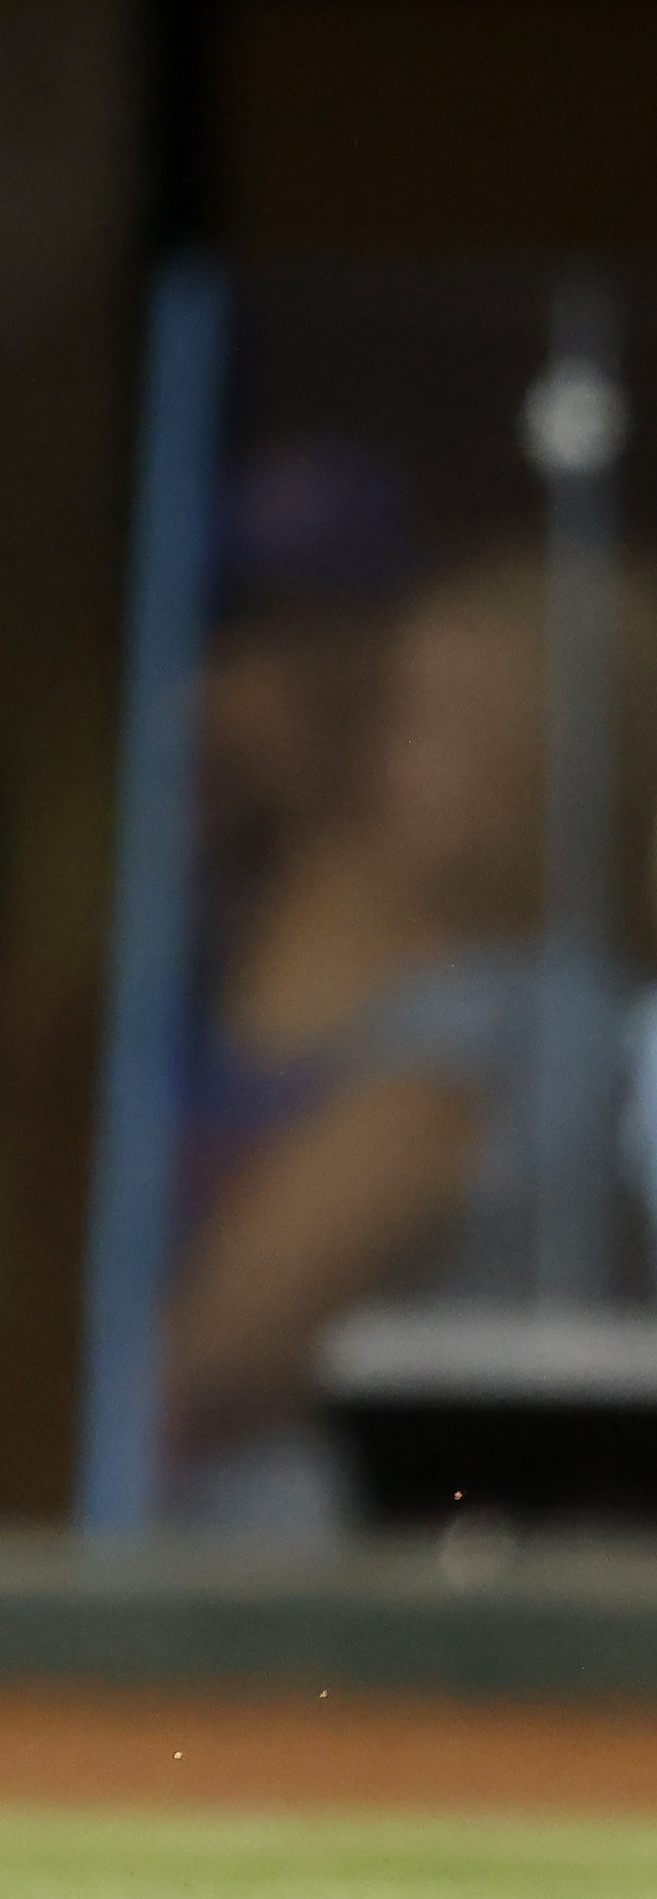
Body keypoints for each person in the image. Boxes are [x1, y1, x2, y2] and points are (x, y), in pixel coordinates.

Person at [165, 551, 657, 1485]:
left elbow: (231, 1331)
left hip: (339, 1565)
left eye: (457, 724)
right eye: (409, 712)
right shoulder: (578, 1010)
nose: (402, 759)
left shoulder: (499, 1017)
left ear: (566, 766)